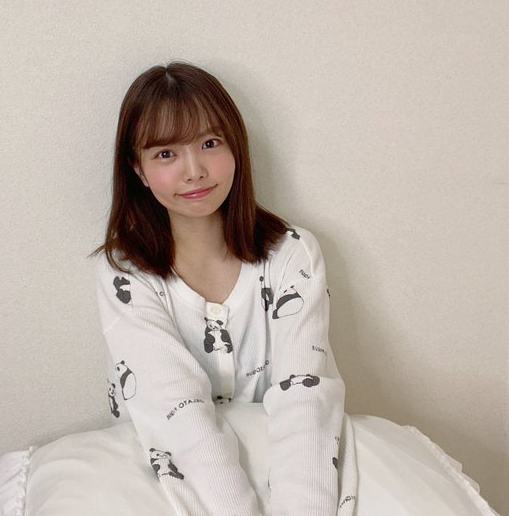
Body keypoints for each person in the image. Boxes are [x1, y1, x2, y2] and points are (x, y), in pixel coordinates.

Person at [94, 61, 357, 515]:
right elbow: (179, 411)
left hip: (292, 470)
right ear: (137, 169)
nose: (194, 171)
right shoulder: (125, 272)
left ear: (236, 147)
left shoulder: (291, 254)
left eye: (209, 144)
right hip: (171, 473)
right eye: (165, 154)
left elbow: (304, 398)